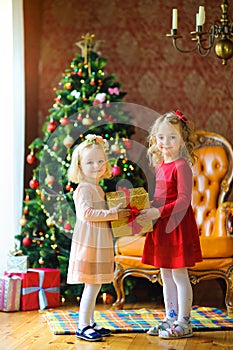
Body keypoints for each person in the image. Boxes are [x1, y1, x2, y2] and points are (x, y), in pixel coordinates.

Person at [138, 110, 202, 339]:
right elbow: (161, 196)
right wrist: (144, 207)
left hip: (177, 227)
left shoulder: (181, 166)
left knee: (179, 275)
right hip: (161, 227)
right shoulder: (161, 165)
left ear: (183, 140)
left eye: (172, 137)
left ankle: (184, 322)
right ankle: (170, 318)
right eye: (162, 137)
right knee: (165, 275)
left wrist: (158, 211)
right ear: (155, 139)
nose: (166, 142)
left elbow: (184, 200)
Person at [67, 134, 131, 342]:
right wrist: (113, 213)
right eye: (90, 162)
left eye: (100, 161)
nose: (97, 166)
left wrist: (115, 211)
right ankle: (82, 325)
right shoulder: (83, 189)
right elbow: (87, 214)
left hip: (99, 240)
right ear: (79, 166)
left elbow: (100, 213)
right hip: (89, 242)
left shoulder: (98, 188)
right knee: (91, 285)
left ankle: (91, 322)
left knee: (96, 284)